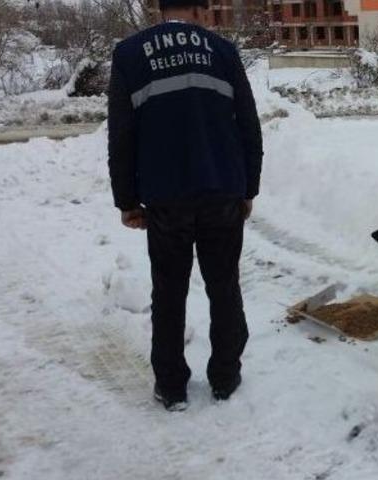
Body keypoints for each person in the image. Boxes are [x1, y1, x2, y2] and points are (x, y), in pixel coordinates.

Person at [107, 0, 263, 411]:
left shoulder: (129, 54)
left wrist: (127, 200)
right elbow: (248, 125)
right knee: (224, 286)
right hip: (222, 191)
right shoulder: (223, 52)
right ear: (198, 9)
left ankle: (171, 385)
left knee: (169, 291)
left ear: (160, 10)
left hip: (165, 196)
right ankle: (225, 377)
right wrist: (248, 189)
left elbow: (121, 136)